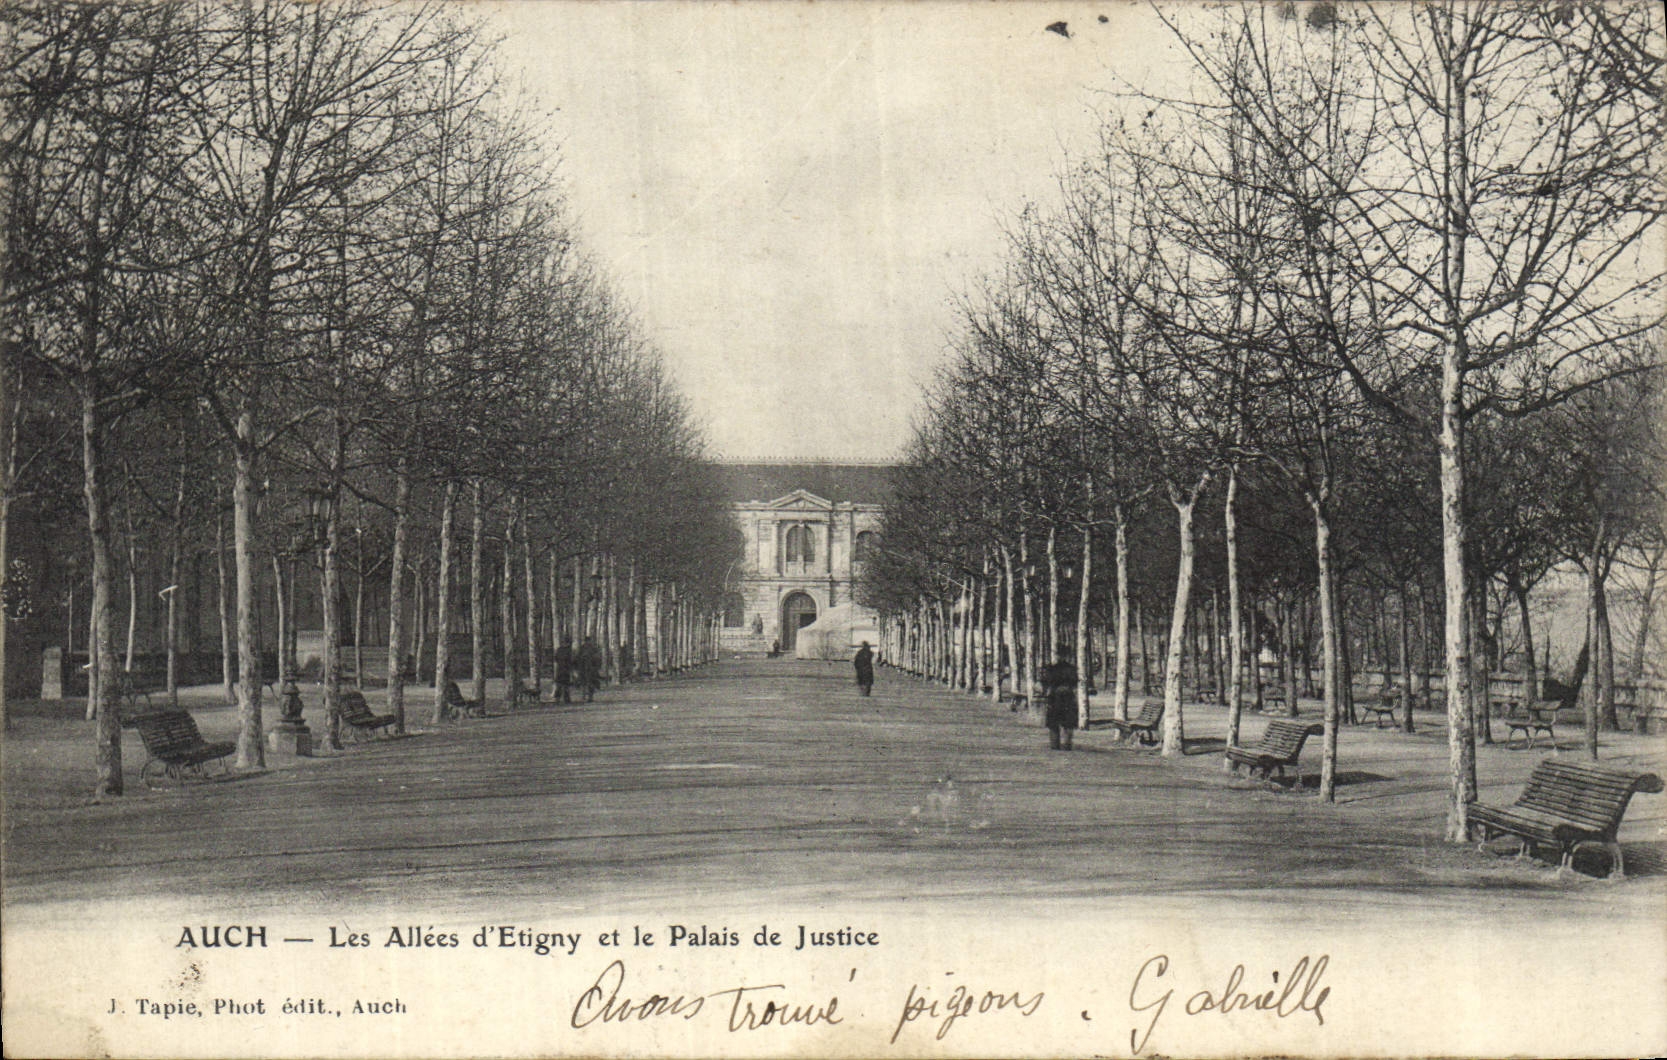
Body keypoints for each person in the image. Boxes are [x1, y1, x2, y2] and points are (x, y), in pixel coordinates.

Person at [1040, 648, 1079, 751]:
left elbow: (1045, 682)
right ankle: (1065, 744)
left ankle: (1056, 744)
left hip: (1056, 697)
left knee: (1055, 722)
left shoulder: (1052, 668)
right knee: (1067, 723)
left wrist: (1046, 692)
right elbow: (1075, 683)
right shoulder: (1071, 669)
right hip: (1066, 697)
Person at [577, 635, 603, 703]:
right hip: (586, 669)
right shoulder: (587, 648)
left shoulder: (588, 648)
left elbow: (597, 658)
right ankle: (586, 697)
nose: (588, 642)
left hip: (589, 669)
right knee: (586, 683)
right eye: (587, 641)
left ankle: (587, 697)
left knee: (588, 683)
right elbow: (578, 658)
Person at [553, 637, 575, 704]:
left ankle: (557, 699)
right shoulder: (569, 651)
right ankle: (566, 698)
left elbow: (555, 659)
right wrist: (572, 670)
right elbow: (571, 661)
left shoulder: (559, 650)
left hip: (559, 669)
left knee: (559, 684)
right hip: (566, 669)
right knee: (566, 685)